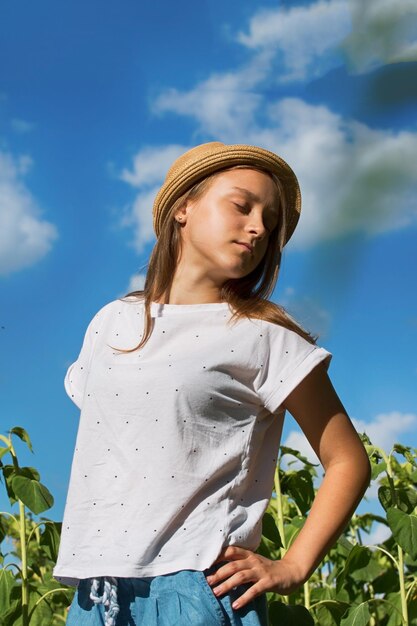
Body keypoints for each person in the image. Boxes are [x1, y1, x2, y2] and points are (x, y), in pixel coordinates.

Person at [54, 142, 371, 626]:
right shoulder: (108, 323)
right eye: (242, 206)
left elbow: (347, 459)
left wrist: (294, 565)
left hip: (196, 587)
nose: (259, 227)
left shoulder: (264, 336)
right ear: (183, 207)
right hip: (94, 592)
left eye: (269, 220)